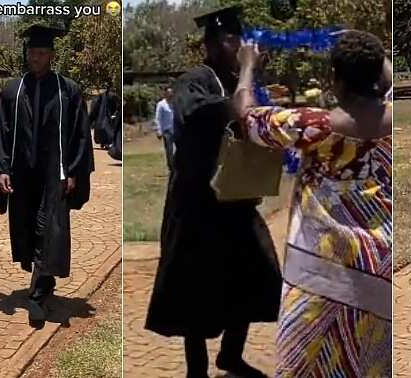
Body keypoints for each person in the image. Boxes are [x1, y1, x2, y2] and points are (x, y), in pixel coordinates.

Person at [233, 31, 392, 377]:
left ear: (334, 76)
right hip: (378, 271)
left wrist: (247, 67)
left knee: (304, 365)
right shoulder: (396, 123)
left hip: (319, 277)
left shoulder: (313, 127)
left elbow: (246, 117)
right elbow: (388, 79)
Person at [145, 7, 282, 378]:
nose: (240, 47)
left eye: (240, 39)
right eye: (233, 40)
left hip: (235, 201)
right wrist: (250, 70)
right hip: (196, 205)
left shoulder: (233, 78)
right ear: (216, 43)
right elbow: (237, 108)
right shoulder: (194, 81)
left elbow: (251, 117)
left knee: (257, 271)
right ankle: (197, 370)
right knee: (195, 287)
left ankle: (231, 356)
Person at [0, 23, 94, 322]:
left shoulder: (68, 90)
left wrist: (73, 171)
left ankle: (37, 292)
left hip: (53, 174)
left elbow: (79, 135)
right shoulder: (12, 90)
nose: (35, 57)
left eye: (41, 53)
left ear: (51, 55)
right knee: (27, 226)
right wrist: (1, 169)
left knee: (48, 228)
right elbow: (1, 133)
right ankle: (42, 280)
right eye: (32, 52)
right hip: (21, 174)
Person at [154, 87, 175, 170]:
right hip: (167, 131)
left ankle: (176, 165)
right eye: (168, 93)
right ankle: (171, 166)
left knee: (177, 150)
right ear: (165, 93)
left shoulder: (174, 104)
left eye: (171, 93)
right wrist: (159, 131)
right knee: (169, 150)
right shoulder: (161, 104)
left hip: (176, 130)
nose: (170, 94)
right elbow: (158, 118)